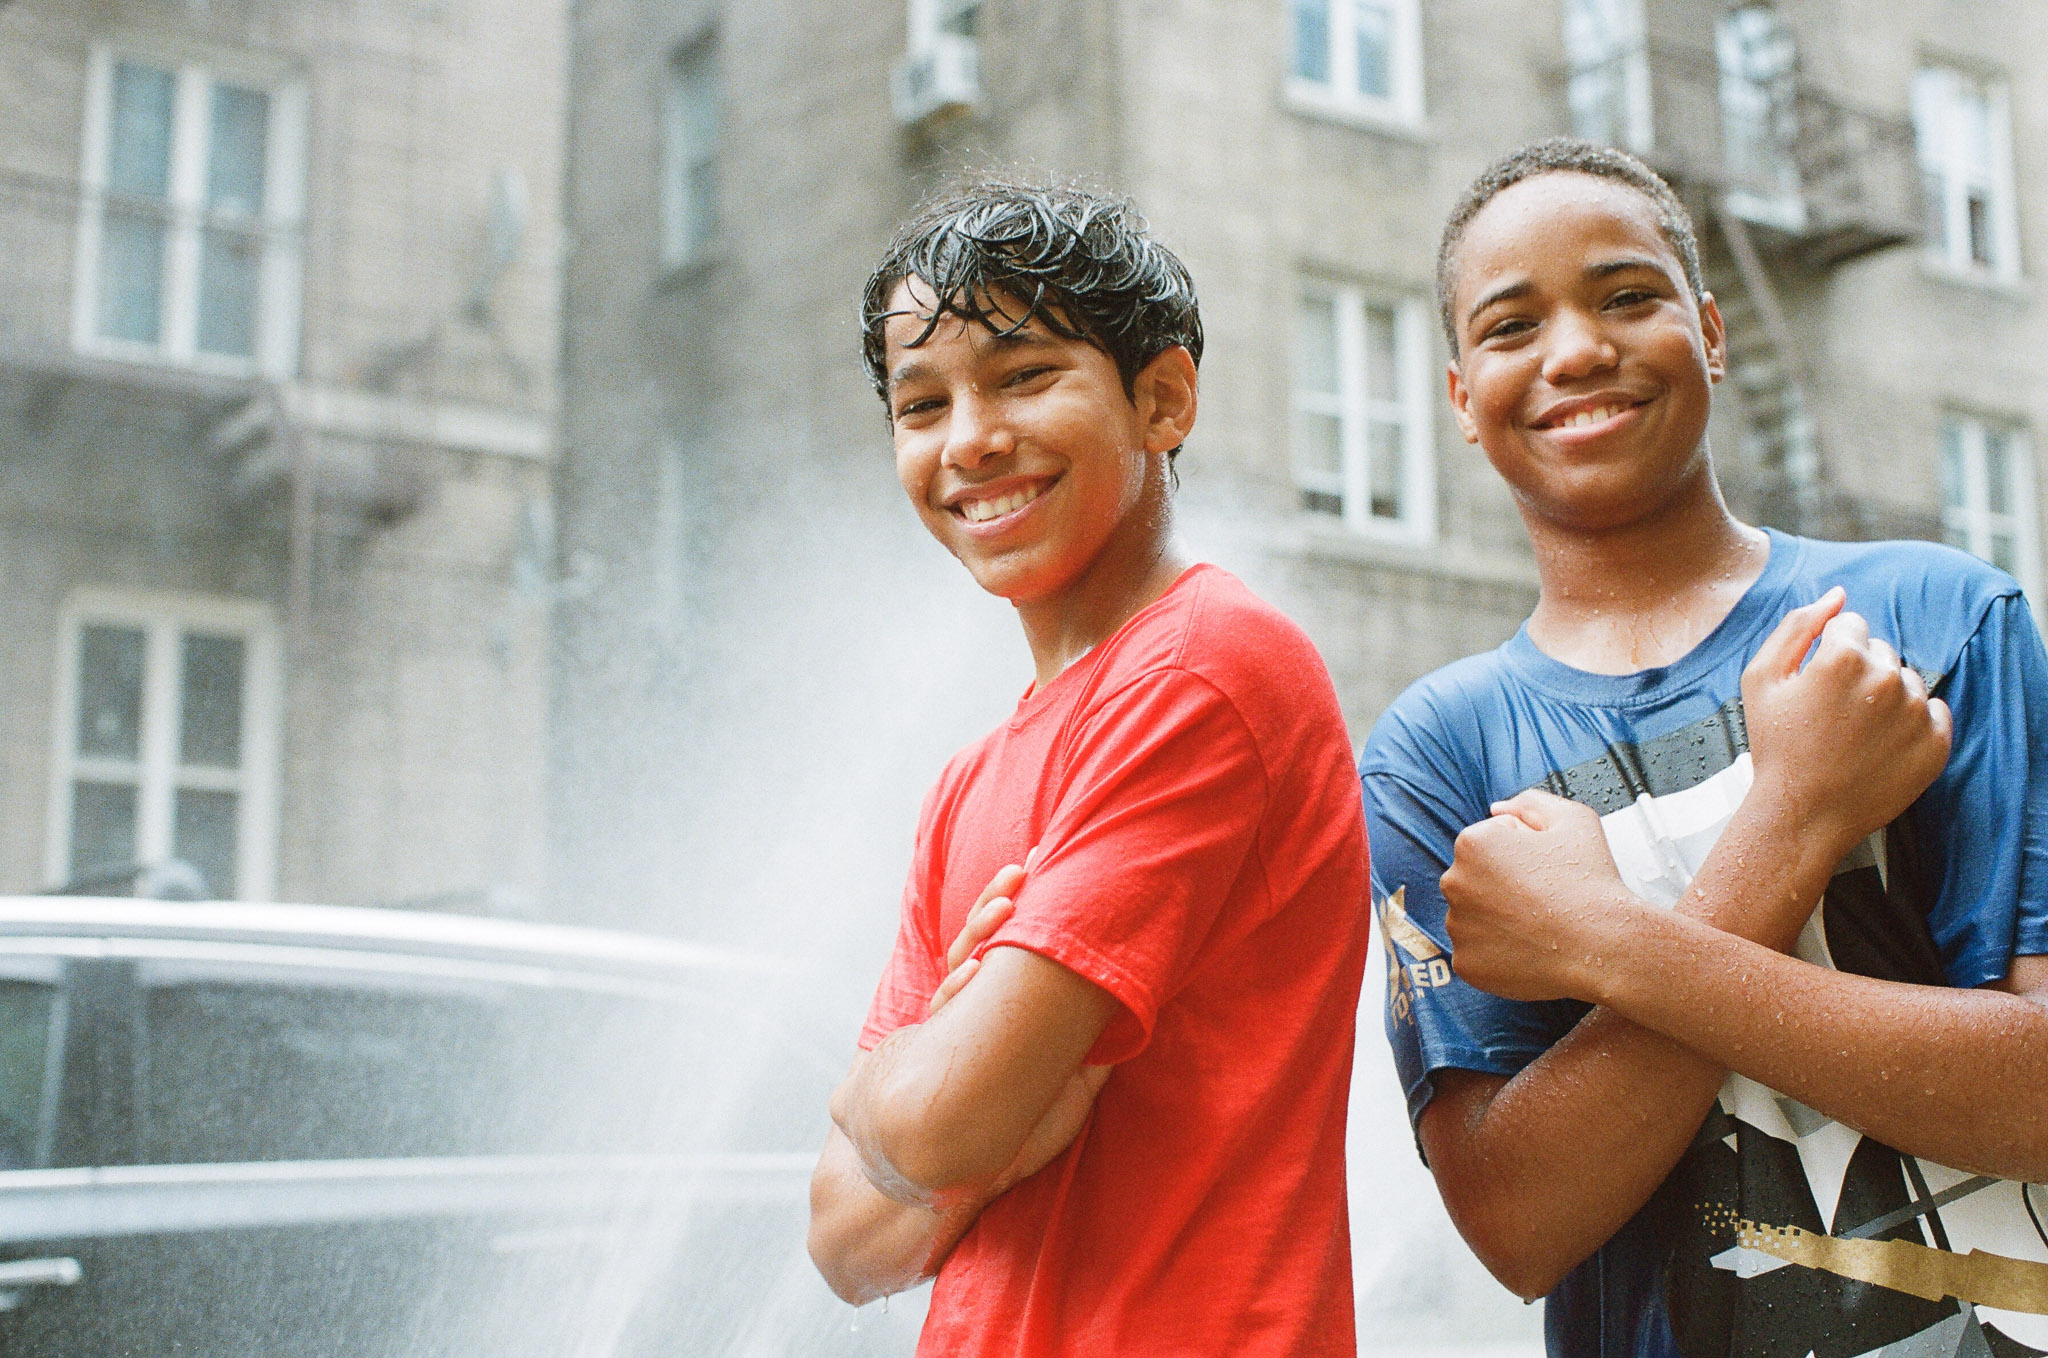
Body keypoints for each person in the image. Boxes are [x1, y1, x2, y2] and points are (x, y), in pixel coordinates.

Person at [1361, 138, 2048, 1358]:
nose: (1576, 349)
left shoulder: (1939, 622)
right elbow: (1517, 1222)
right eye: (1512, 325)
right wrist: (1795, 820)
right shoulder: (1436, 752)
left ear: (1712, 331)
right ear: (1460, 399)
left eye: (1627, 296)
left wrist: (1599, 939)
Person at [807, 182, 1371, 1356]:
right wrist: (972, 1119)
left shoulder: (1206, 669)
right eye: (923, 403)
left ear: (1160, 399)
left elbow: (932, 1129)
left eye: (1022, 376)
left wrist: (884, 1096)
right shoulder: (962, 785)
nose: (968, 438)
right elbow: (842, 1241)